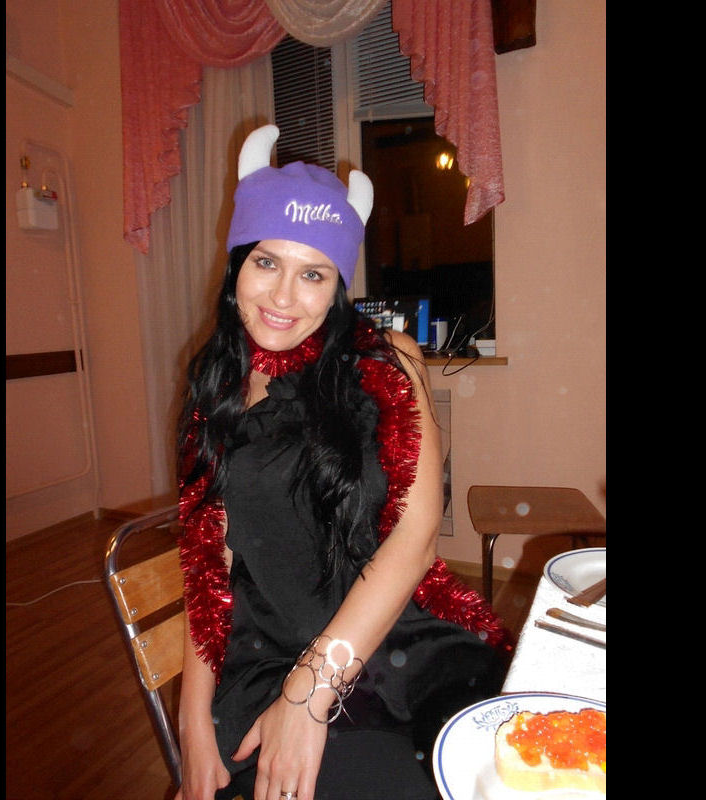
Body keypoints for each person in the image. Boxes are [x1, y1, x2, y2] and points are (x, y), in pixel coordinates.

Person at [174, 125, 512, 800]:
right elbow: (209, 562)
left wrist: (315, 687)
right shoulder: (213, 389)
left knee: (509, 764)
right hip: (269, 658)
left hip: (397, 636)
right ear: (236, 263)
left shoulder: (387, 360)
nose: (283, 297)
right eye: (266, 262)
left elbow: (415, 540)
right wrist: (192, 722)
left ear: (336, 286)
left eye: (312, 274)